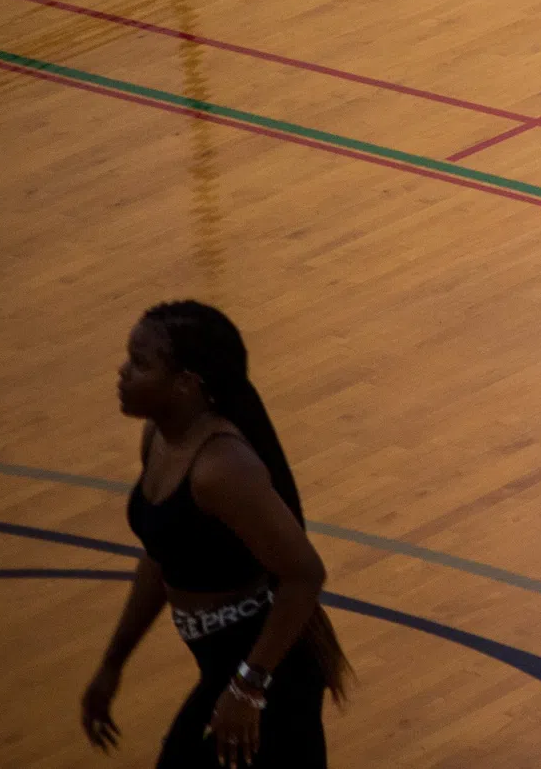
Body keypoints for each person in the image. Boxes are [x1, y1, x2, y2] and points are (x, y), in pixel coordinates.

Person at [82, 301, 349, 767]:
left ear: (186, 384)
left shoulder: (220, 469)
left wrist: (249, 687)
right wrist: (112, 663)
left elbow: (304, 575)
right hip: (225, 667)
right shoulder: (159, 438)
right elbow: (162, 556)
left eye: (141, 364)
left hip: (272, 674)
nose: (122, 373)